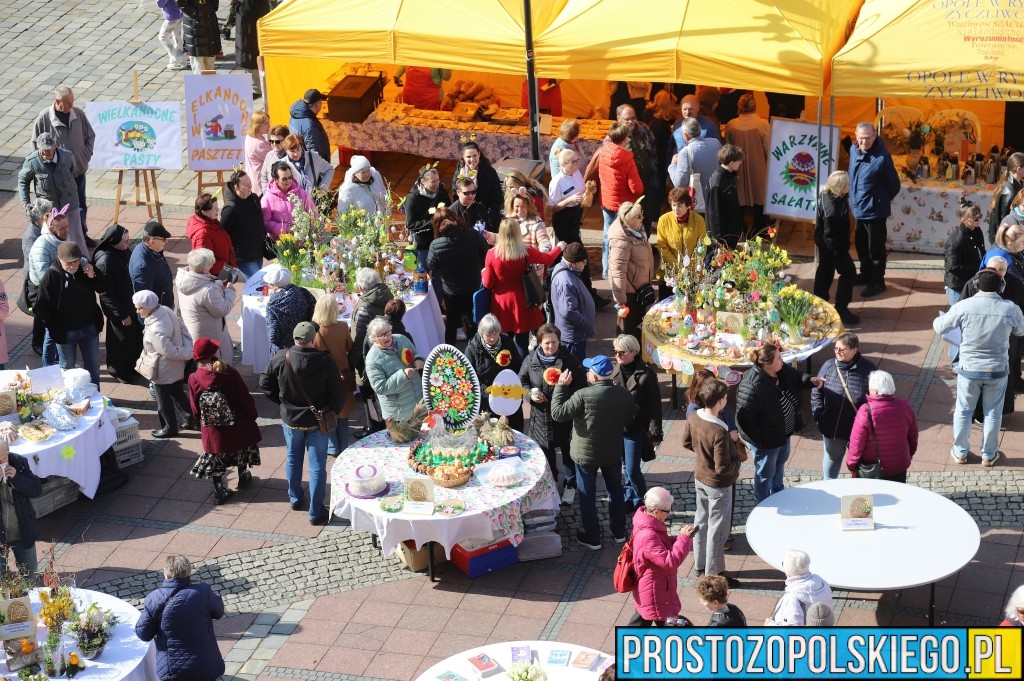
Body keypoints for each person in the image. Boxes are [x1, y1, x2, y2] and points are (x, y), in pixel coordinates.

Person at [934, 269, 1024, 467]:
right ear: (1001, 287)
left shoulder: (964, 306)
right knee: (993, 413)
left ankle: (960, 452)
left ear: (976, 285)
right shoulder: (1010, 308)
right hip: (998, 370)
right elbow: (1021, 330)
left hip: (969, 370)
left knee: (964, 411)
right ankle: (989, 454)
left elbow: (940, 326)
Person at [261, 321, 344, 523]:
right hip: (318, 421)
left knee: (292, 458)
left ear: (295, 338)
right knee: (317, 467)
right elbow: (338, 393)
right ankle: (316, 512)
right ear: (313, 339)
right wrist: (332, 410)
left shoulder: (281, 357)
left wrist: (283, 403)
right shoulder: (325, 362)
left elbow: (265, 383)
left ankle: (295, 497)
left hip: (290, 420)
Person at [551, 354, 634, 550]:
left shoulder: (583, 395)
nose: (587, 373)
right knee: (615, 490)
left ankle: (593, 536)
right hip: (612, 452)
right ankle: (619, 532)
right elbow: (629, 417)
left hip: (585, 455)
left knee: (587, 495)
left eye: (589, 371)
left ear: (595, 377)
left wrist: (561, 387)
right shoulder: (623, 394)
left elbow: (558, 413)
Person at [736, 344, 824, 503]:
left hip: (783, 434)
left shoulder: (780, 370)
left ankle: (778, 494)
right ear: (767, 364)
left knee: (780, 464)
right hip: (767, 442)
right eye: (778, 358)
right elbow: (744, 420)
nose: (782, 361)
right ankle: (762, 504)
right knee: (765, 474)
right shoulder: (751, 386)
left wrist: (810, 379)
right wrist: (763, 441)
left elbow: (795, 376)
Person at [682, 377, 743, 586]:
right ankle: (714, 573)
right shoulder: (719, 431)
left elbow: (686, 442)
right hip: (718, 484)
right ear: (720, 401)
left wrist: (702, 455)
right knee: (718, 530)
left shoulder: (693, 417)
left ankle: (699, 565)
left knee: (701, 521)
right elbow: (723, 468)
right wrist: (738, 466)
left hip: (700, 477)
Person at [188, 338, 261, 504]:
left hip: (213, 429)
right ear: (215, 354)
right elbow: (244, 397)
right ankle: (243, 475)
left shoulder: (194, 378)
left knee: (216, 457)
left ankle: (219, 490)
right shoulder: (230, 373)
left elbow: (195, 408)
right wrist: (252, 414)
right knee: (241, 447)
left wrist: (205, 421)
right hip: (237, 423)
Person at [482, 218, 565, 357]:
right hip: (522, 302)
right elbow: (548, 259)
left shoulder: (492, 254)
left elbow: (488, 284)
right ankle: (523, 372)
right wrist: (560, 247)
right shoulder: (526, 251)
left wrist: (484, 273)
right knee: (521, 343)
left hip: (501, 303)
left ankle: (506, 369)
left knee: (502, 341)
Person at [519, 324, 585, 498]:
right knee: (545, 452)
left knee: (567, 451)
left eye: (554, 342)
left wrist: (565, 391)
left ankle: (571, 484)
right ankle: (552, 481)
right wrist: (529, 394)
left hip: (563, 415)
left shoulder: (568, 359)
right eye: (547, 343)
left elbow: (581, 384)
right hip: (540, 417)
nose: (551, 346)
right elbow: (521, 381)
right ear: (540, 342)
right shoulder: (530, 359)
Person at [135, 555, 225, 681]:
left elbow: (143, 634)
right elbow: (219, 612)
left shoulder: (154, 598)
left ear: (166, 574)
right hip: (207, 664)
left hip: (173, 670)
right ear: (189, 574)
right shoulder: (203, 591)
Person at [34, 241, 107, 387]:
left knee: (93, 367)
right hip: (65, 333)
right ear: (60, 259)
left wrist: (94, 276)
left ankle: (95, 397)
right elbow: (41, 307)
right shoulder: (52, 276)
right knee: (67, 369)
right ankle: (70, 401)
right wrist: (54, 327)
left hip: (89, 328)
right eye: (69, 263)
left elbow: (103, 287)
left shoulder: (86, 269)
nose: (73, 266)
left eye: (76, 261)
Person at [31, 85, 95, 243]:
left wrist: (85, 156)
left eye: (72, 101)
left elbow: (90, 136)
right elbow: (35, 146)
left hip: (78, 171)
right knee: (59, 210)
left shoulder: (78, 114)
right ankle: (59, 238)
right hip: (58, 176)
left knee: (80, 206)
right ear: (57, 102)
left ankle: (82, 235)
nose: (71, 106)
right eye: (68, 103)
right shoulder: (44, 118)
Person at [811, 332, 877, 480]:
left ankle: (859, 495)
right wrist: (819, 414)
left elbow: (876, 398)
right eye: (836, 348)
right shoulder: (828, 366)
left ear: (854, 351)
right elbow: (817, 391)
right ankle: (829, 488)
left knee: (861, 462)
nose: (837, 352)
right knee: (833, 458)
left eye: (842, 349)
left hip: (859, 429)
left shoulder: (869, 369)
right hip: (833, 427)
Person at [628, 487, 697, 626]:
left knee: (645, 618)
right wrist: (683, 539)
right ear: (656, 511)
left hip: (654, 585)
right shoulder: (648, 534)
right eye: (668, 511)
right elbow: (670, 561)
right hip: (655, 587)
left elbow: (659, 545)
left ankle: (629, 644)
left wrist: (680, 538)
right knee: (667, 623)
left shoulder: (647, 523)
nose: (669, 513)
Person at [849, 122, 901, 298]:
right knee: (861, 245)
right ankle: (865, 274)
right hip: (858, 209)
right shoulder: (853, 150)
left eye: (868, 138)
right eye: (861, 138)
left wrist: (879, 200)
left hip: (875, 211)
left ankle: (878, 281)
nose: (864, 142)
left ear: (875, 135)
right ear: (856, 135)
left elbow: (894, 185)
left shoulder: (882, 157)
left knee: (876, 248)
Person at [612, 334, 662, 514]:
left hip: (635, 430)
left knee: (632, 470)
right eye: (615, 351)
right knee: (625, 467)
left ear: (633, 352)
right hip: (618, 430)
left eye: (621, 352)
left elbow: (655, 406)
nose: (617, 355)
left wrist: (655, 433)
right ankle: (629, 497)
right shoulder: (614, 371)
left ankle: (644, 501)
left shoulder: (646, 375)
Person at [135, 290, 194, 438]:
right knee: (177, 392)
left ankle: (169, 428)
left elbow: (169, 352)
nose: (138, 311)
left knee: (163, 401)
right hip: (175, 367)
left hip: (162, 369)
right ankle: (190, 420)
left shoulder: (156, 328)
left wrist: (188, 353)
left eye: (140, 307)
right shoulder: (165, 310)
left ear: (149, 306)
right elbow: (183, 329)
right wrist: (187, 347)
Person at [427, 207, 489, 345]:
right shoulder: (473, 234)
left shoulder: (435, 245)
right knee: (472, 322)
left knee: (451, 323)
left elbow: (432, 267)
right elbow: (486, 253)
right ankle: (474, 353)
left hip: (451, 291)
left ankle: (449, 355)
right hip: (473, 286)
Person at [18, 132, 86, 255]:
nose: (44, 153)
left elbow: (73, 171)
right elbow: (23, 180)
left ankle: (83, 260)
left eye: (48, 150)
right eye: (42, 150)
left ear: (55, 146)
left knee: (76, 235)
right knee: (53, 236)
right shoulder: (32, 162)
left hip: (70, 203)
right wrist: (25, 201)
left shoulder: (67, 156)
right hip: (49, 208)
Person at [93, 224, 145, 384]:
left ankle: (131, 367)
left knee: (134, 340)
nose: (128, 244)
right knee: (120, 342)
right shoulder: (106, 260)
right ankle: (118, 370)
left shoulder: (122, 250)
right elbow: (105, 293)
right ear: (114, 241)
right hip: (121, 310)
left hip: (131, 305)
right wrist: (121, 314)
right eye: (125, 241)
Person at [589, 122, 643, 277]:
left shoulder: (603, 151)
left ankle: (607, 271)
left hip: (607, 201)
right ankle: (622, 272)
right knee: (626, 239)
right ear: (625, 139)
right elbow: (636, 188)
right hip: (624, 206)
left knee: (608, 236)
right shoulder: (627, 159)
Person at [846, 370, 918, 482]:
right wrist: (909, 453)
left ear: (874, 390)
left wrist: (852, 464)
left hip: (873, 469)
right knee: (898, 496)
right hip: (899, 464)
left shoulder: (866, 410)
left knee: (870, 499)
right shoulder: (905, 406)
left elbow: (857, 443)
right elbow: (913, 436)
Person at [349, 267, 394, 431]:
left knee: (369, 396)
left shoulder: (364, 308)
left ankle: (373, 428)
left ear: (361, 287)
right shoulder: (386, 294)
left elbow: (359, 339)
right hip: (387, 352)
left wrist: (352, 362)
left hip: (369, 358)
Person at [311, 294, 356, 455]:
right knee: (343, 414)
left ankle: (332, 446)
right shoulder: (343, 327)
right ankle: (344, 446)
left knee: (328, 412)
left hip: (325, 379)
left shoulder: (315, 332)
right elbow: (350, 347)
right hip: (343, 375)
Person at [813, 170, 859, 325]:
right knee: (849, 272)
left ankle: (820, 304)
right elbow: (831, 235)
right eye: (847, 184)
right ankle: (841, 308)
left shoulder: (824, 194)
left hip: (823, 242)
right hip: (833, 246)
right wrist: (840, 252)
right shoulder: (833, 211)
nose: (850, 185)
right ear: (840, 188)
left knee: (825, 270)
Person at [176, 248, 237, 364]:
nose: (212, 267)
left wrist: (217, 284)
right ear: (204, 269)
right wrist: (230, 291)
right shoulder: (208, 290)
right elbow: (222, 310)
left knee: (201, 363)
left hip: (194, 331)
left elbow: (200, 289)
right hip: (211, 335)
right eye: (210, 265)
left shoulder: (184, 280)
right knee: (217, 365)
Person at [26, 204, 69, 365]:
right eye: (62, 228)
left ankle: (59, 361)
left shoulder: (63, 238)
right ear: (52, 228)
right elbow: (46, 278)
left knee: (57, 329)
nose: (67, 231)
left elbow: (74, 255)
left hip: (60, 290)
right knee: (51, 331)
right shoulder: (41, 247)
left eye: (67, 226)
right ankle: (49, 366)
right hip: (44, 293)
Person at [466, 314, 524, 431]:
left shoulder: (507, 342)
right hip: (487, 401)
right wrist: (489, 393)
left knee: (514, 430)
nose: (493, 338)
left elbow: (518, 366)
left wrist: (516, 385)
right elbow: (470, 379)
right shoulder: (472, 350)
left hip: (510, 394)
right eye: (489, 335)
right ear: (481, 334)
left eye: (495, 334)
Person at [608, 200, 655, 338]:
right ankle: (626, 356)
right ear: (628, 220)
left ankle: (636, 356)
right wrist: (621, 301)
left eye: (642, 214)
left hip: (639, 290)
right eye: (638, 217)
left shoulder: (637, 231)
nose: (642, 218)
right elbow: (617, 272)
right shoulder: (621, 241)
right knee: (628, 331)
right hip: (629, 294)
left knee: (638, 327)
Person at [724, 93, 771, 230]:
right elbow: (769, 147)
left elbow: (728, 146)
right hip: (759, 166)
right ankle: (761, 228)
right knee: (759, 197)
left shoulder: (731, 124)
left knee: (739, 196)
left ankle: (740, 227)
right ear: (755, 106)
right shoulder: (763, 124)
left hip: (737, 166)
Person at [364, 319, 424, 423]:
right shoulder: (372, 359)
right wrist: (403, 375)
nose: (386, 337)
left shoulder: (402, 339)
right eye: (380, 335)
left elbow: (415, 353)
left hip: (420, 402)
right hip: (400, 414)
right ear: (373, 339)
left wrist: (418, 359)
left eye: (387, 332)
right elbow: (380, 387)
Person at [0, 442, 42, 575]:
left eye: (4, 458)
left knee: (29, 574)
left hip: (21, 530)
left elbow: (36, 490)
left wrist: (17, 478)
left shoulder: (19, 462)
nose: (2, 463)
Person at [549, 243, 596, 361]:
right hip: (573, 337)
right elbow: (568, 311)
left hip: (573, 333)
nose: (584, 266)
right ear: (574, 263)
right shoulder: (565, 280)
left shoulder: (565, 270)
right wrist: (587, 324)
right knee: (575, 369)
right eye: (583, 262)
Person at [668, 117, 723, 216]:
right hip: (717, 197)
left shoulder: (686, 152)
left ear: (685, 135)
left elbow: (680, 183)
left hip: (699, 203)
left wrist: (672, 165)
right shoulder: (715, 143)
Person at [765, 550, 834, 626]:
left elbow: (791, 630)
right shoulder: (822, 583)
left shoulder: (792, 598)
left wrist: (770, 624)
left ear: (788, 569)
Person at [221, 170, 267, 278]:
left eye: (250, 184)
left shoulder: (254, 199)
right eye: (246, 185)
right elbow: (222, 233)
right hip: (243, 256)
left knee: (254, 286)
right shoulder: (230, 209)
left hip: (257, 251)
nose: (250, 187)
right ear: (236, 187)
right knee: (258, 283)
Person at [405, 164, 451, 269]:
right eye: (433, 181)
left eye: (438, 180)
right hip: (423, 245)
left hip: (440, 240)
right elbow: (411, 224)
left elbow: (448, 211)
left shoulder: (442, 193)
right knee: (424, 273)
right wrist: (432, 222)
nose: (437, 184)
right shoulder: (413, 198)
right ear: (423, 182)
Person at [264, 266, 315, 357]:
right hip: (303, 343)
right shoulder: (302, 292)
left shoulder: (273, 305)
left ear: (274, 285)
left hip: (283, 351)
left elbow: (273, 336)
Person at [656, 187, 706, 281]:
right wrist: (678, 267)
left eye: (679, 206)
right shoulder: (663, 220)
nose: (676, 209)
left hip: (693, 274)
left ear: (687, 206)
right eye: (673, 205)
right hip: (669, 275)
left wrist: (690, 268)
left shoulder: (699, 220)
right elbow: (662, 247)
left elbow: (702, 246)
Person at [945, 199, 987, 306]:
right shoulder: (957, 240)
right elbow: (952, 267)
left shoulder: (977, 230)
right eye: (975, 218)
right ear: (963, 219)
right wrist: (978, 267)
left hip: (971, 281)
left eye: (980, 216)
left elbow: (982, 251)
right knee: (959, 314)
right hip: (957, 285)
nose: (978, 220)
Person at [452, 141, 502, 231]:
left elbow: (497, 196)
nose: (472, 159)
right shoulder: (459, 173)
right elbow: (455, 195)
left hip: (486, 216)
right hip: (465, 216)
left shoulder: (489, 172)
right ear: (463, 157)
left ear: (479, 154)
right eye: (468, 157)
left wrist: (489, 214)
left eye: (474, 155)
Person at [187, 193, 238, 279]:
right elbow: (204, 262)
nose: (218, 210)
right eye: (214, 208)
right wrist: (227, 269)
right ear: (204, 212)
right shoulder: (203, 234)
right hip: (217, 276)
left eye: (217, 206)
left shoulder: (211, 222)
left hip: (224, 269)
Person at [261, 161, 314, 241]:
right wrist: (285, 229)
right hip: (280, 245)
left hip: (302, 242)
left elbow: (313, 214)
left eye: (290, 177)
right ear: (276, 180)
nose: (288, 181)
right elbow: (265, 223)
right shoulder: (267, 199)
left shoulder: (303, 194)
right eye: (284, 179)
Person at [706, 144, 745, 249]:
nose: (740, 163)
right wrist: (720, 242)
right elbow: (714, 215)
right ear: (731, 163)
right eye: (739, 161)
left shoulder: (728, 177)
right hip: (724, 240)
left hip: (730, 235)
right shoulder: (718, 183)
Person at [130, 220, 175, 309]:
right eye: (163, 239)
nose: (166, 242)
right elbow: (144, 300)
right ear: (151, 241)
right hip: (159, 311)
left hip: (164, 303)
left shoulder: (153, 249)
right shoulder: (142, 266)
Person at [234, 0, 270, 95]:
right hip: (250, 24)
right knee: (251, 55)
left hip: (249, 26)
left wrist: (235, 4)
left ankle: (256, 88)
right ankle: (255, 86)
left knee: (250, 56)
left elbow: (246, 9)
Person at [988, 152, 1024, 245]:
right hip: (1008, 240)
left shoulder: (1016, 184)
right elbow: (1005, 220)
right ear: (1018, 169)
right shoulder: (1011, 192)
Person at [288, 89, 330, 163]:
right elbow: (315, 153)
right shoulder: (310, 126)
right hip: (311, 166)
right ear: (317, 104)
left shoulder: (295, 115)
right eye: (321, 102)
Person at [180, 0, 221, 74]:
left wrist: (211, 8)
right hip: (194, 25)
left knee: (210, 66)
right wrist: (195, 13)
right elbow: (179, 2)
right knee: (198, 67)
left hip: (209, 22)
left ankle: (209, 85)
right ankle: (201, 84)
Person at [243, 112, 272, 194]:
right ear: (258, 126)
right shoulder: (259, 144)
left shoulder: (249, 137)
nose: (269, 126)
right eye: (266, 124)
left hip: (253, 178)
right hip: (260, 183)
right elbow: (274, 159)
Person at [257, 125, 291, 194]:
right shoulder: (269, 155)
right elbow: (263, 176)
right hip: (271, 196)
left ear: (285, 141)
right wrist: (266, 193)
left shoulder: (290, 156)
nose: (274, 144)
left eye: (277, 141)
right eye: (271, 141)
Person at [156, 0, 188, 70]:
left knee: (162, 37)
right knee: (177, 37)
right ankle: (182, 60)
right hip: (179, 16)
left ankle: (175, 57)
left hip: (171, 18)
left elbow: (160, 4)